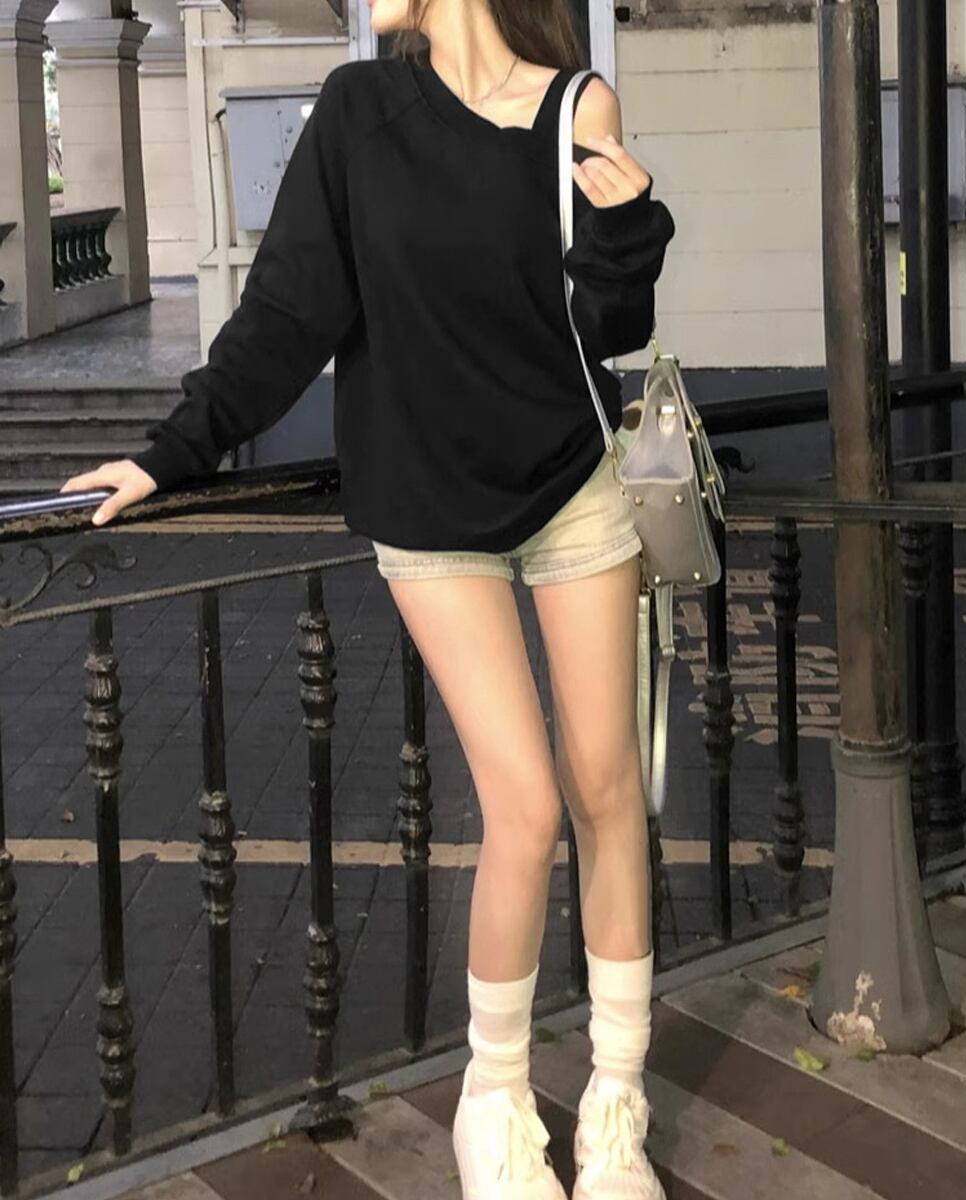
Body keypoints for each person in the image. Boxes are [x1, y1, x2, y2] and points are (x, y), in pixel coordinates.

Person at [59, 1, 675, 1196]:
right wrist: (170, 450)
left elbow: (609, 327)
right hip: (428, 511)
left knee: (608, 791)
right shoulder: (356, 112)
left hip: (574, 492)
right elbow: (291, 310)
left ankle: (617, 1108)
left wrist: (624, 237)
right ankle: (494, 1105)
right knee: (527, 807)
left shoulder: (575, 106)